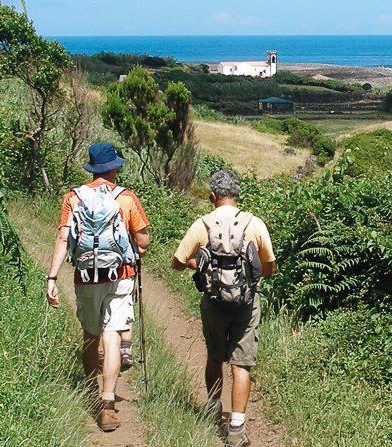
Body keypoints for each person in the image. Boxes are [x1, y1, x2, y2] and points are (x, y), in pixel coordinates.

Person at [45, 142, 151, 432]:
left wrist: (52, 278)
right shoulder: (126, 198)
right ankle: (107, 405)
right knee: (113, 335)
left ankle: (92, 393)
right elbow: (143, 242)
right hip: (120, 274)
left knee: (91, 336)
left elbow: (64, 240)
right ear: (114, 167)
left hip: (86, 276)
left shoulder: (73, 198)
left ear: (92, 168)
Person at [172, 170, 276, 447]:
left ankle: (214, 407)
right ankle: (236, 428)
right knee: (242, 363)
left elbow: (177, 261)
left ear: (212, 197)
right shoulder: (254, 223)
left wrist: (199, 264)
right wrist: (250, 278)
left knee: (214, 356)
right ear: (237, 195)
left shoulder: (202, 224)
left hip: (213, 301)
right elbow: (269, 266)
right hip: (246, 304)